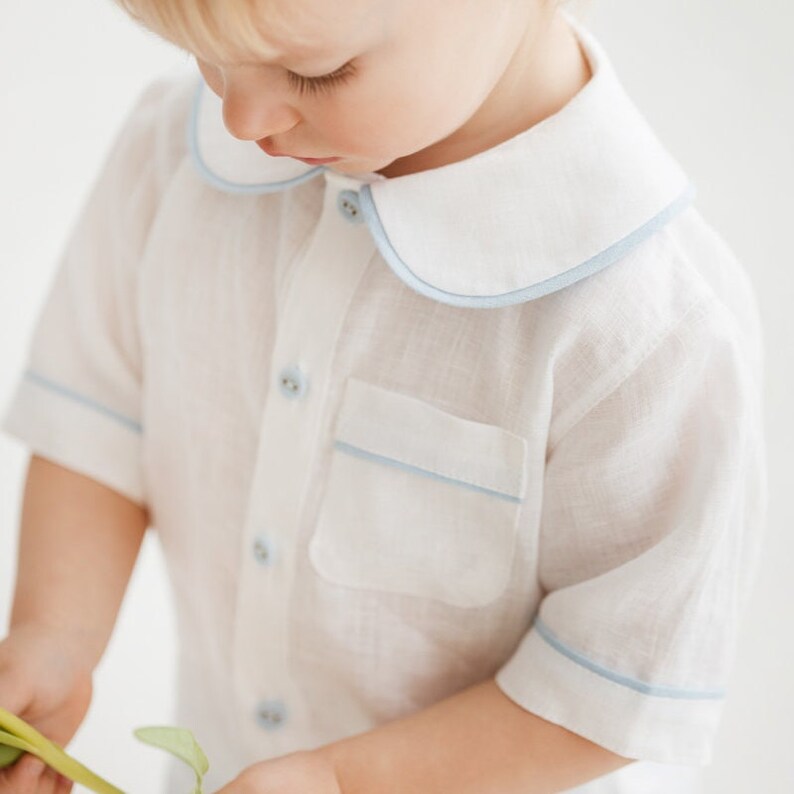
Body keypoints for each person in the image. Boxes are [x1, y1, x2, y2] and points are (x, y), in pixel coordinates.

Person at [0, 0, 768, 791]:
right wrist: (56, 636)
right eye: (211, 57)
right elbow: (95, 426)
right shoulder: (173, 155)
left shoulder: (652, 336)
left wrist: (344, 781)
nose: (241, 116)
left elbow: (609, 689)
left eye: (316, 71)